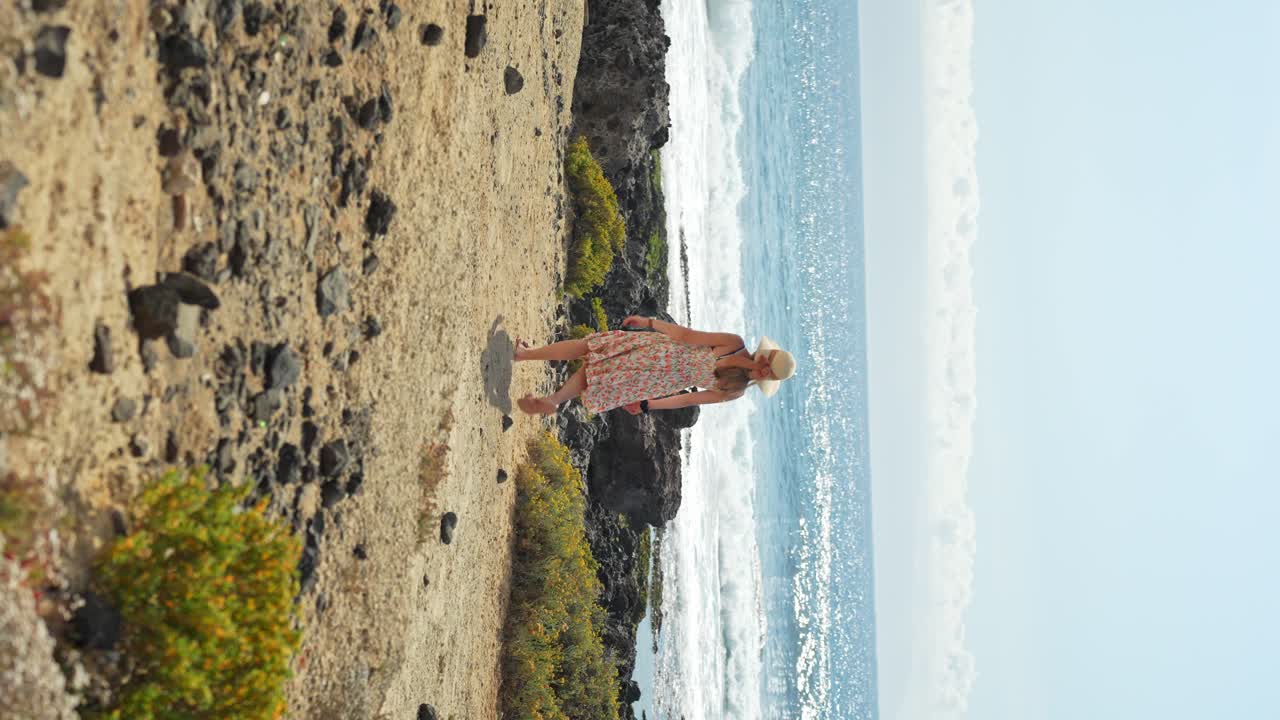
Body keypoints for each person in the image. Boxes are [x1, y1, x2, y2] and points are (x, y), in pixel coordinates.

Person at [514, 315, 796, 416]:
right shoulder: (735, 391)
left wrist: (650, 323)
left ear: (765, 355)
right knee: (592, 377)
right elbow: (688, 399)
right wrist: (648, 404)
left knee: (589, 349)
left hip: (657, 353)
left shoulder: (734, 343)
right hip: (656, 382)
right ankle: (554, 399)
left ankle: (526, 355)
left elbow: (685, 336)